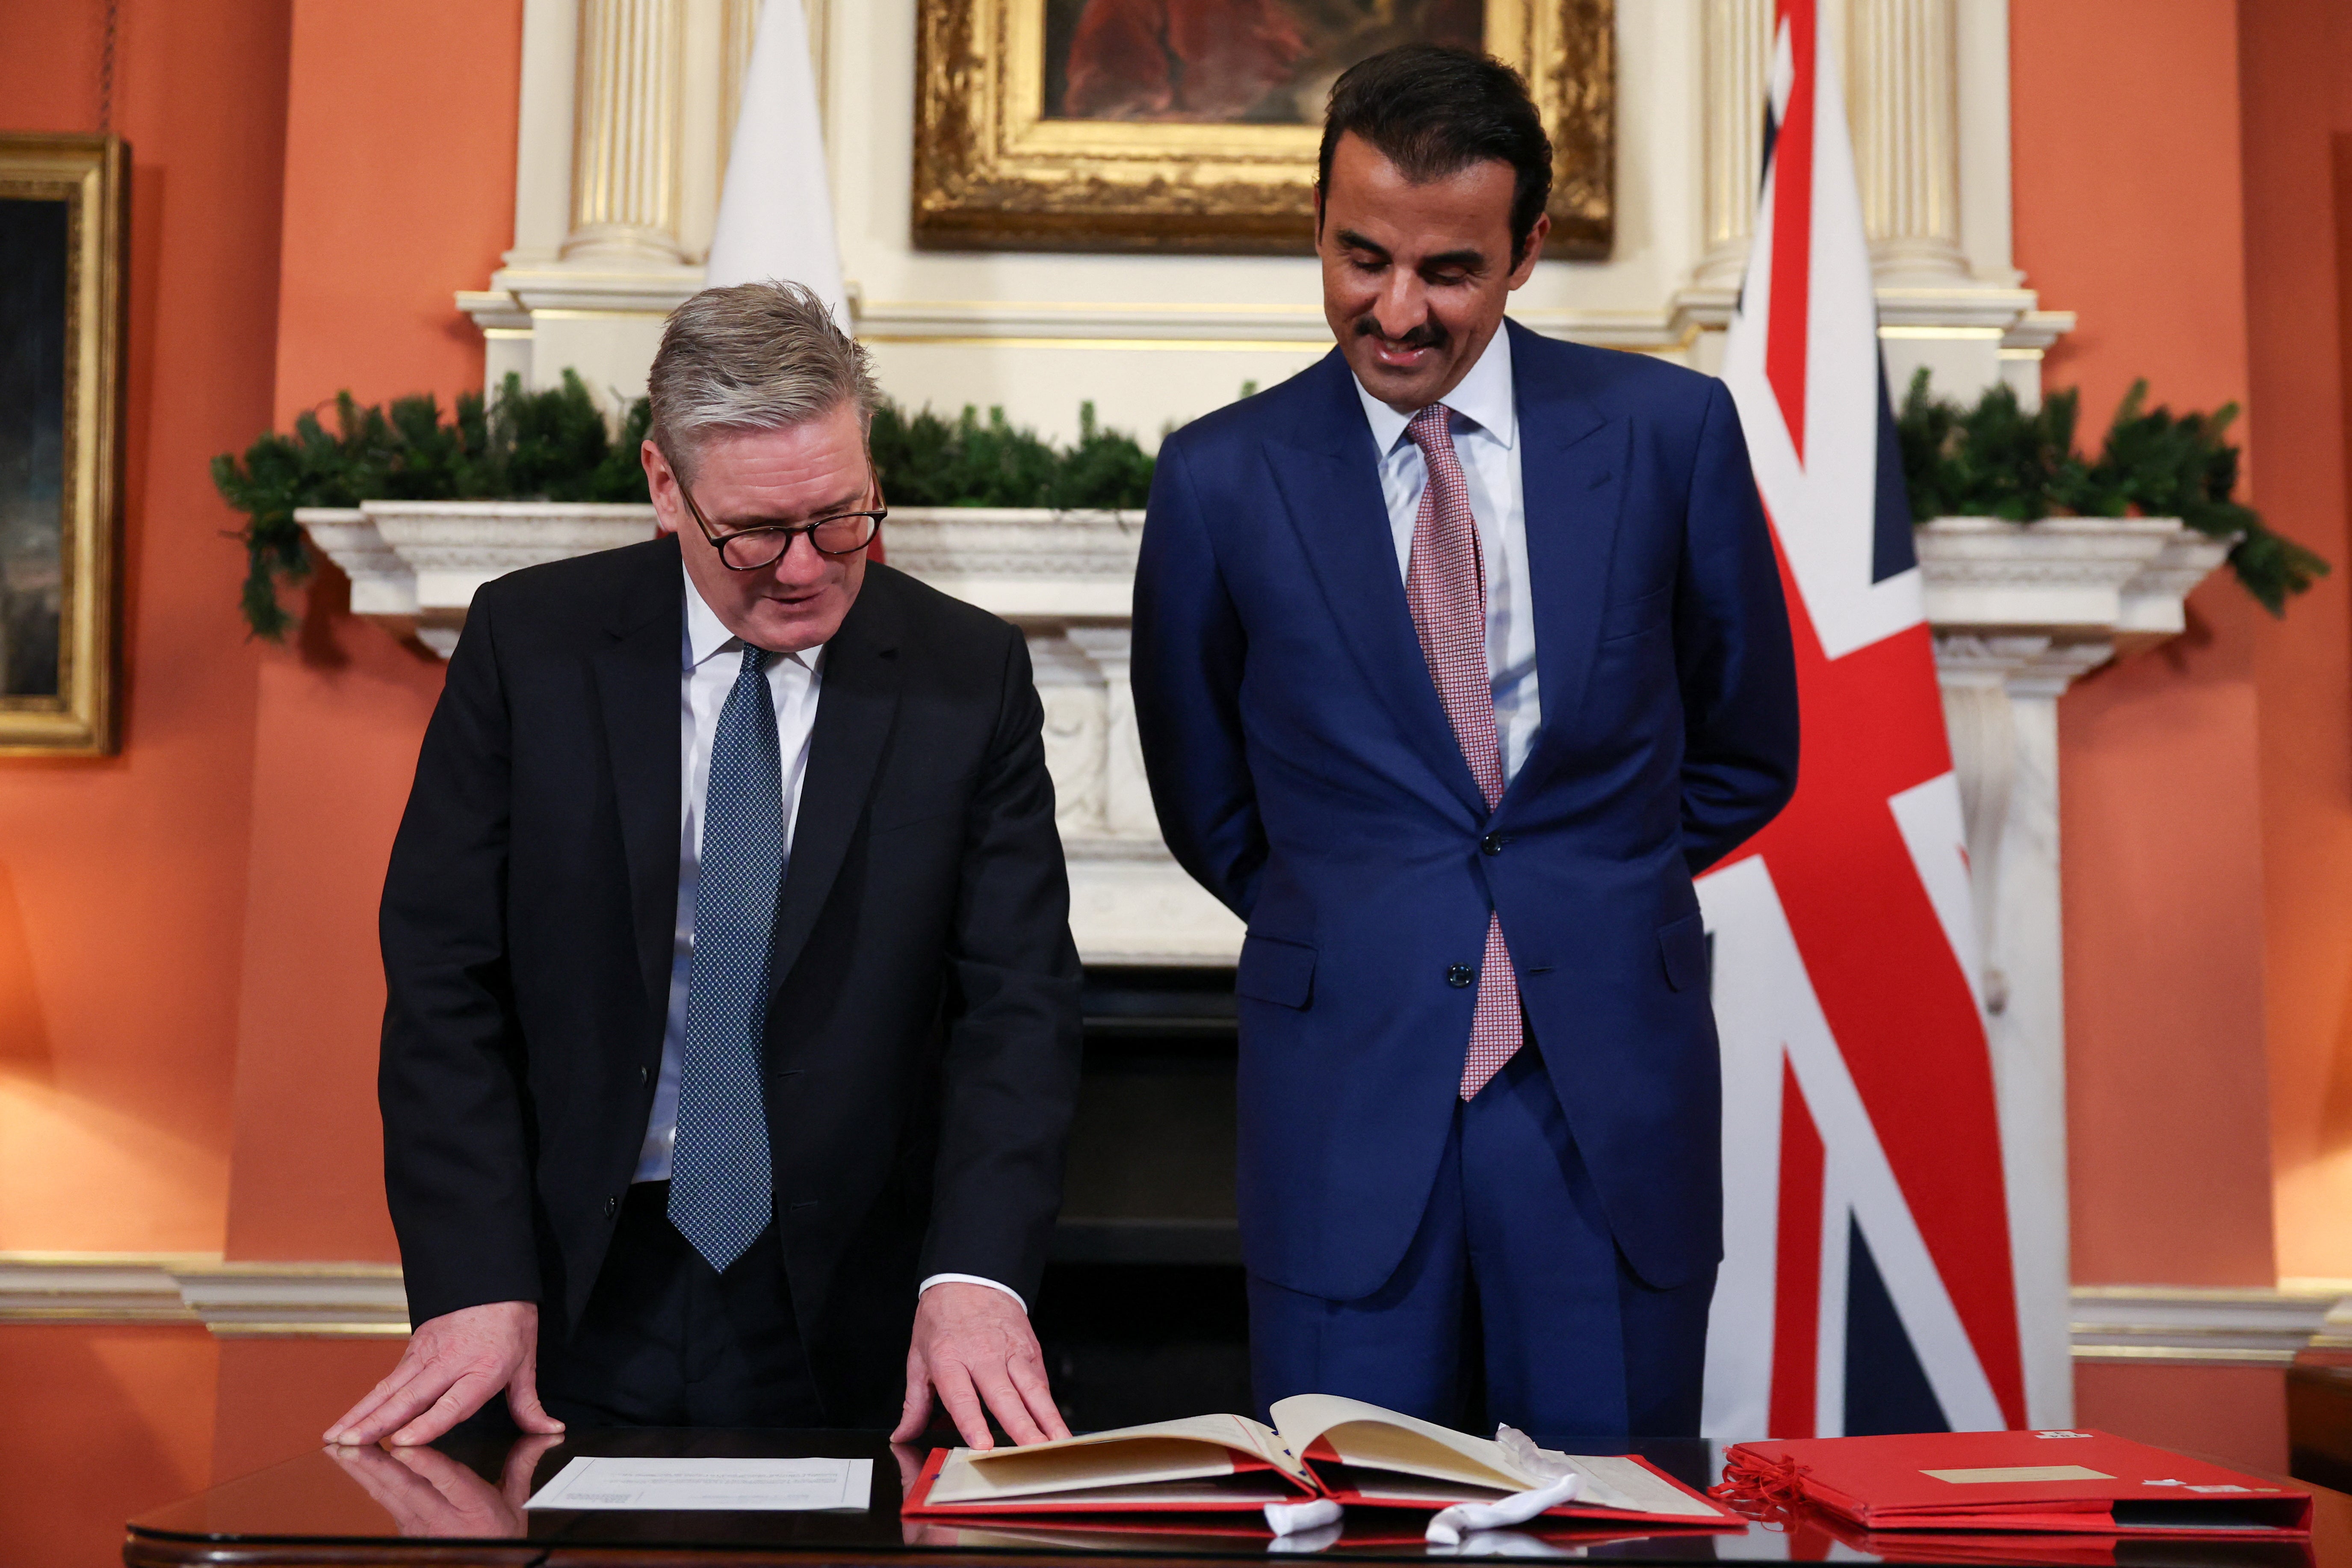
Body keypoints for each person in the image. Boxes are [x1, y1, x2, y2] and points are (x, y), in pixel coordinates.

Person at [1131, 45, 1799, 1436]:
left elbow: (1747, 744)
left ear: (1527, 251)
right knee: (1347, 1504)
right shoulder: (1216, 479)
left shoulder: (1670, 433)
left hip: (1604, 1086)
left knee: (1614, 1517)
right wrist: (1366, 907)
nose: (1395, 310)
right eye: (1358, 257)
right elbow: (1207, 797)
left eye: (1448, 271)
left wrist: (1584, 885)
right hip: (1349, 1086)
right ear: (1316, 226)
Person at [325, 281, 1083, 1450]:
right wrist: (473, 1276)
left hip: (858, 1301)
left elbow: (1016, 1009)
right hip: (568, 1283)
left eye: (842, 517)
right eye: (754, 534)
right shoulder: (530, 647)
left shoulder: (964, 675)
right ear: (663, 484)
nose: (803, 568)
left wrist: (976, 1278)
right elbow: (443, 980)